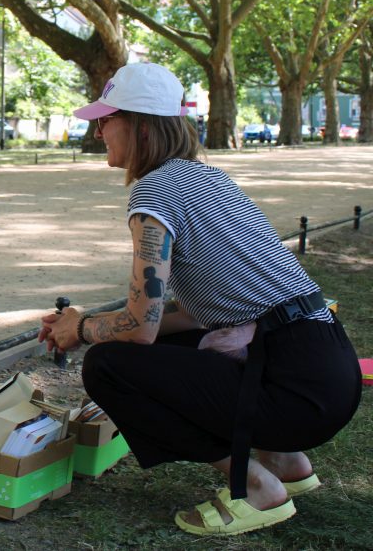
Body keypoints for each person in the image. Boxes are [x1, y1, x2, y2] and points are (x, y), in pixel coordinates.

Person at [39, 62, 361, 537]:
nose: (98, 130)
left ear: (141, 127)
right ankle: (286, 462)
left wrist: (82, 328)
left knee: (108, 365)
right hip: (326, 374)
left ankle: (255, 487)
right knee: (156, 348)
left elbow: (139, 327)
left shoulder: (153, 193)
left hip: (293, 389)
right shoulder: (208, 179)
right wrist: (92, 320)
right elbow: (192, 314)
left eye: (107, 119)